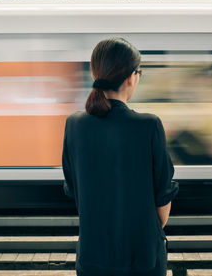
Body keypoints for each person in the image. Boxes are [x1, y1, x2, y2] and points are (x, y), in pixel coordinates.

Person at [62, 37, 179, 276]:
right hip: (142, 260)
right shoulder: (149, 126)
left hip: (92, 260)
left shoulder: (74, 125)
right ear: (131, 77)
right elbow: (162, 202)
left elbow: (74, 191)